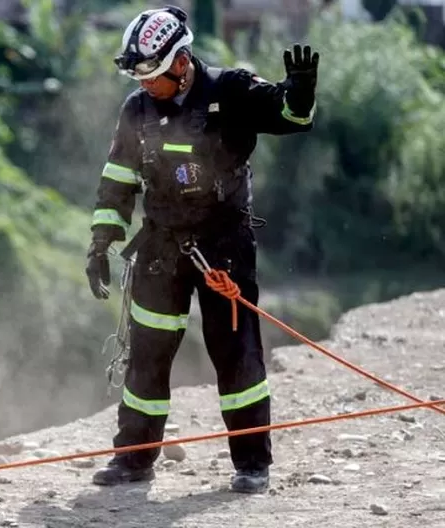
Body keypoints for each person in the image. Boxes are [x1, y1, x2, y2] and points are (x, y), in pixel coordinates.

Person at [84, 5, 318, 494]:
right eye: (138, 75)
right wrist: (101, 242)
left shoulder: (230, 90)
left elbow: (289, 117)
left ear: (181, 61)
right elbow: (118, 181)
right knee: (146, 355)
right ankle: (134, 459)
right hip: (160, 249)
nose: (145, 83)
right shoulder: (137, 109)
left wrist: (299, 94)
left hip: (224, 249)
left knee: (236, 355)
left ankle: (252, 463)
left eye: (152, 73)